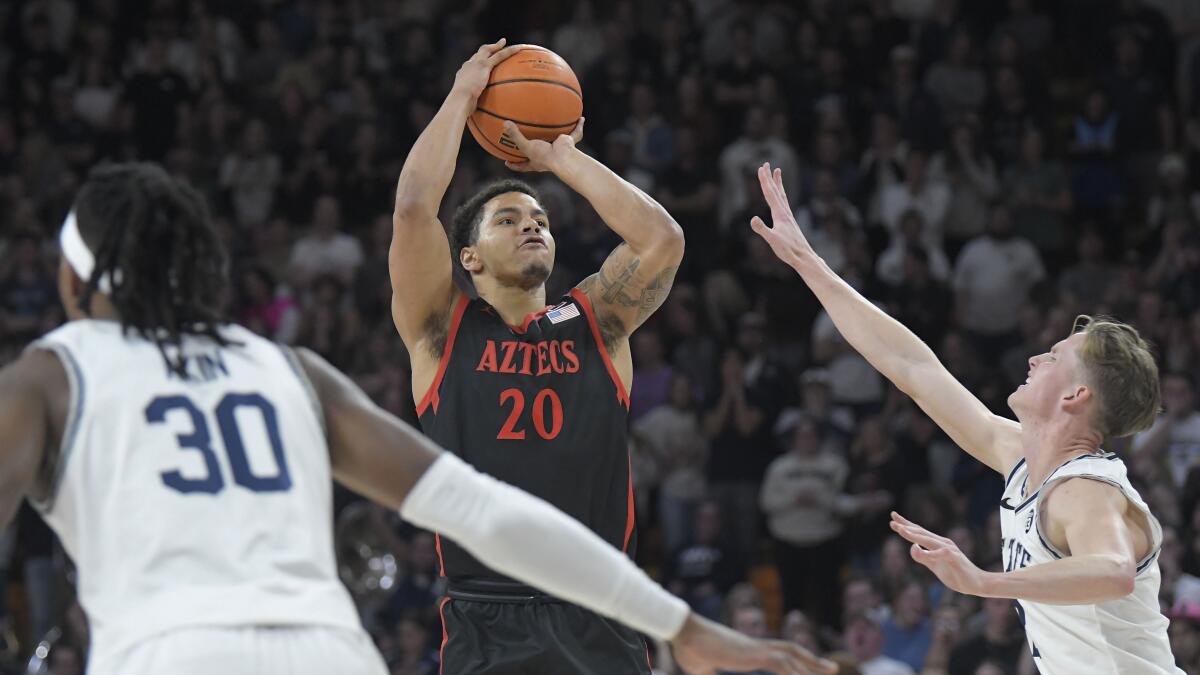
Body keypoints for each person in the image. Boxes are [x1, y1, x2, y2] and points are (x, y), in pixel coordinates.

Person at [0, 162, 835, 675]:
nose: (532, 224)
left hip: (165, 653)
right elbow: (478, 506)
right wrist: (680, 621)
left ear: (75, 287)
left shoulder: (51, 373)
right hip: (334, 650)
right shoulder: (290, 370)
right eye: (509, 217)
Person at [388, 40, 795, 674]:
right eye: (507, 220)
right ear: (467, 257)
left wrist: (564, 157)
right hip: (486, 614)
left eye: (541, 218)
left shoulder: (596, 322)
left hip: (599, 607)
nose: (532, 225)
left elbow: (662, 239)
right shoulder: (443, 331)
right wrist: (464, 95)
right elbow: (415, 207)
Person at [748, 161, 1183, 674]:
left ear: (1076, 395)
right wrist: (808, 263)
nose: (1033, 360)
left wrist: (982, 581)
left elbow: (1115, 572)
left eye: (1052, 357)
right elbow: (911, 366)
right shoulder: (1023, 458)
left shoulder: (1083, 488)